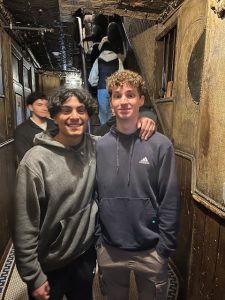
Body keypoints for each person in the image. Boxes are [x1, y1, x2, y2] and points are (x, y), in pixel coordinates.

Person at [12, 87, 156, 300]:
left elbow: (121, 136)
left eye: (81, 110)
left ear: (88, 115)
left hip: (84, 256)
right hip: (50, 261)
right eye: (66, 110)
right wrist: (33, 276)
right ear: (55, 115)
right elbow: (24, 224)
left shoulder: (96, 147)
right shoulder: (34, 162)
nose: (74, 117)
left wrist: (144, 119)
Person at [95, 70, 180, 300]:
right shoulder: (99, 146)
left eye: (130, 95)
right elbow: (94, 196)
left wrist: (164, 249)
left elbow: (170, 199)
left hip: (151, 250)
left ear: (141, 100)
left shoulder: (161, 145)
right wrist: (98, 240)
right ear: (110, 102)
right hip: (110, 249)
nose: (123, 101)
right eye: (117, 95)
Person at [88, 39, 124, 124]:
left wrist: (97, 83)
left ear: (102, 49)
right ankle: (114, 130)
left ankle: (104, 132)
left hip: (102, 89)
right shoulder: (118, 60)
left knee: (103, 113)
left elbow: (92, 80)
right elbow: (123, 76)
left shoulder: (98, 60)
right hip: (115, 89)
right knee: (114, 111)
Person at [14, 91, 55, 161]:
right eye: (39, 105)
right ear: (30, 107)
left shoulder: (55, 124)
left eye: (46, 105)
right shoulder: (21, 131)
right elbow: (25, 158)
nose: (45, 108)